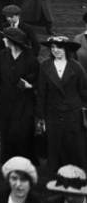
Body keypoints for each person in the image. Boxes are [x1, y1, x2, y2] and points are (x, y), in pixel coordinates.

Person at [0, 27, 39, 163]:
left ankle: (24, 160)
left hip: (24, 102)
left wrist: (30, 86)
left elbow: (38, 81)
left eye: (5, 38)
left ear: (12, 41)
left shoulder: (30, 59)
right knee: (6, 131)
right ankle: (8, 159)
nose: (3, 39)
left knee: (23, 132)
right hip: (6, 100)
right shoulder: (2, 55)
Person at [37, 36, 87, 176]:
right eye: (52, 47)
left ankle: (75, 177)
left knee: (73, 146)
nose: (55, 50)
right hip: (52, 113)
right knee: (54, 146)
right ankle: (55, 177)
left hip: (73, 114)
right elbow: (41, 92)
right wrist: (41, 117)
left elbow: (84, 90)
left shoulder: (76, 67)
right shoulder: (45, 66)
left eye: (59, 47)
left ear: (66, 49)